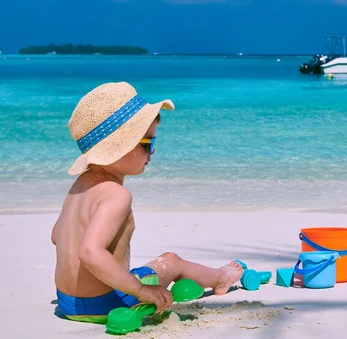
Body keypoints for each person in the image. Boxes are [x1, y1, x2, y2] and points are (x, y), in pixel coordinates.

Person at [52, 81, 243, 323]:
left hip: (68, 303)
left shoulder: (79, 187)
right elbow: (89, 252)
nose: (152, 152)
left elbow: (57, 235)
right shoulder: (116, 195)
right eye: (147, 143)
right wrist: (141, 291)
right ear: (119, 147)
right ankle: (220, 278)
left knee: (131, 269)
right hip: (105, 303)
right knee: (171, 261)